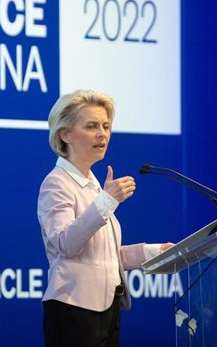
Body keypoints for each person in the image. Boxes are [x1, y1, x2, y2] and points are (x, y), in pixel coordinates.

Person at [37, 90, 173, 347]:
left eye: (106, 126)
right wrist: (107, 201)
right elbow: (65, 243)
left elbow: (103, 255)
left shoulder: (92, 183)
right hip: (74, 310)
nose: (102, 133)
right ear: (65, 135)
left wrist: (156, 252)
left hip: (107, 310)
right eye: (91, 126)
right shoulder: (56, 183)